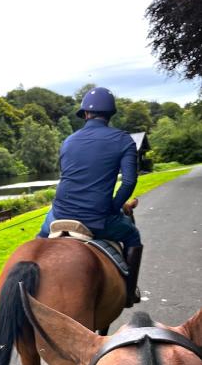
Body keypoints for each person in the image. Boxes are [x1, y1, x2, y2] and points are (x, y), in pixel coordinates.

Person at [38, 87, 143, 307]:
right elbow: (129, 182)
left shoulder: (68, 141)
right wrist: (114, 207)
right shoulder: (124, 140)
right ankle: (129, 293)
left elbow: (69, 176)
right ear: (110, 114)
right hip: (97, 219)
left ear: (86, 114)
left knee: (39, 239)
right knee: (133, 237)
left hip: (59, 214)